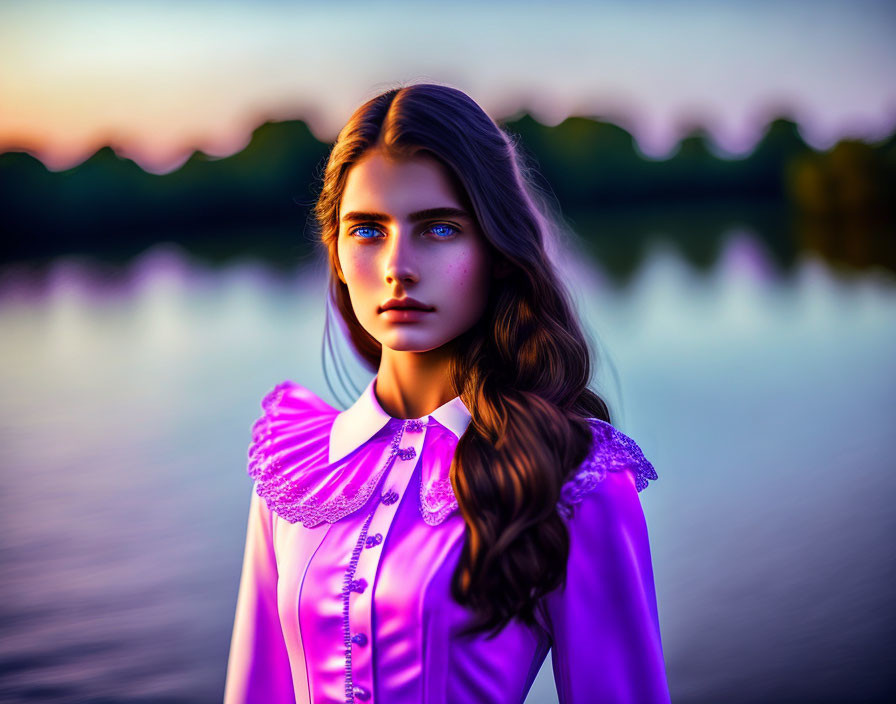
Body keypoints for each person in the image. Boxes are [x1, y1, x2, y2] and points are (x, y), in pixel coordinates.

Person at [223, 82, 671, 704]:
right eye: (367, 230)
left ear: (496, 247)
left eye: (437, 229)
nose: (396, 267)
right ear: (335, 249)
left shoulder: (572, 478)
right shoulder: (293, 465)